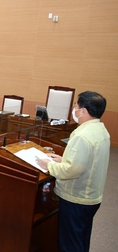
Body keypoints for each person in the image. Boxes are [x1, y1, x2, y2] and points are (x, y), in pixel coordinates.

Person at [37, 91, 110, 252]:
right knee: (81, 239)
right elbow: (90, 160)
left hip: (76, 199)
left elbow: (72, 171)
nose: (74, 109)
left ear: (83, 111)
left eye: (76, 106)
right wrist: (63, 160)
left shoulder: (82, 135)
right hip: (91, 197)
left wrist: (48, 165)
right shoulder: (101, 130)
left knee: (70, 244)